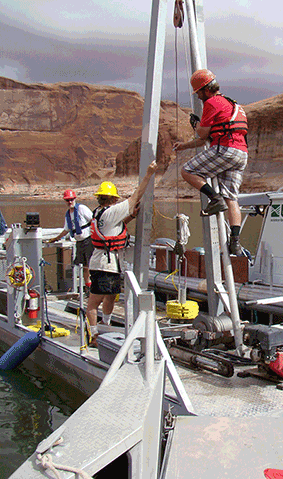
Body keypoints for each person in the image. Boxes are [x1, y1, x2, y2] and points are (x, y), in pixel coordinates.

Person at [173, 69, 248, 256]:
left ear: (206, 90)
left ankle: (215, 199)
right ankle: (235, 242)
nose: (198, 96)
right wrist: (182, 146)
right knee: (232, 198)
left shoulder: (212, 103)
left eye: (198, 92)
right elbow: (204, 141)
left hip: (226, 149)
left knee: (187, 171)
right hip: (241, 153)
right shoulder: (232, 105)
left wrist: (195, 125)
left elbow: (202, 134)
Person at [86, 161, 157, 347]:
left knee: (110, 296)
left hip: (109, 263)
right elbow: (136, 196)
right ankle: (93, 336)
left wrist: (131, 216)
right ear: (113, 199)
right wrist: (149, 174)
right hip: (104, 264)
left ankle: (105, 326)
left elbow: (114, 227)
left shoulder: (100, 213)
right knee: (94, 302)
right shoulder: (111, 212)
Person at [46, 189, 94, 291]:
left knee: (91, 266)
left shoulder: (82, 208)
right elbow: (66, 229)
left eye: (71, 199)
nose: (70, 202)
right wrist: (55, 239)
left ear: (75, 199)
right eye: (67, 200)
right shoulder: (68, 214)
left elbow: (93, 220)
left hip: (89, 240)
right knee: (84, 266)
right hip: (79, 242)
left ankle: (95, 288)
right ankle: (88, 288)